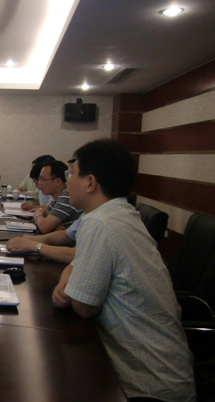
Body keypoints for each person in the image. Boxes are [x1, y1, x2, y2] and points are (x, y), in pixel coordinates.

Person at [52, 139, 195, 401]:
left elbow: (84, 307)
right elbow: (77, 262)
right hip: (168, 373)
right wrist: (67, 278)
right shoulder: (121, 213)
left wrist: (68, 287)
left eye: (71, 174)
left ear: (90, 182)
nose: (67, 181)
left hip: (148, 386)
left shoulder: (99, 223)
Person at [31, 160, 81, 233]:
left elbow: (43, 227)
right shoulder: (56, 198)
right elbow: (45, 215)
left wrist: (38, 213)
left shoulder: (67, 198)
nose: (39, 183)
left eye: (42, 179)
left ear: (58, 181)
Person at [6, 219, 78, 264]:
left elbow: (77, 255)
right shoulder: (83, 216)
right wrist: (37, 239)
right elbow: (66, 235)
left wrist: (33, 245)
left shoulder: (86, 220)